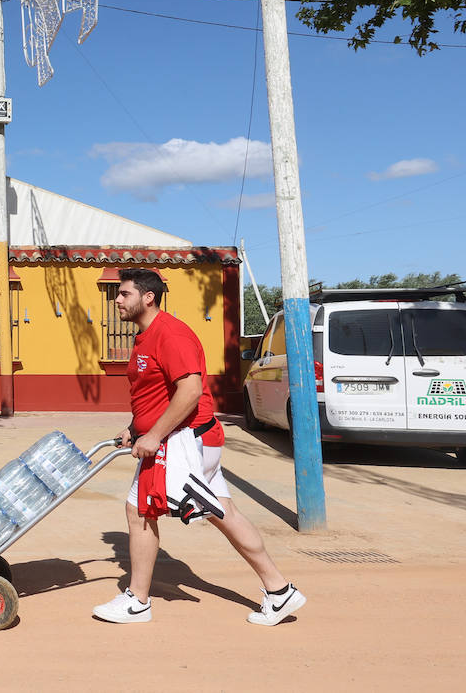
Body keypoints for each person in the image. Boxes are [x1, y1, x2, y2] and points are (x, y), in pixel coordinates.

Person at [92, 268, 306, 626]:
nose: (117, 300)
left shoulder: (171, 334)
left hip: (183, 440)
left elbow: (190, 392)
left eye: (124, 293)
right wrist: (135, 427)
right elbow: (155, 392)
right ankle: (279, 590)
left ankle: (137, 601)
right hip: (187, 439)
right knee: (225, 514)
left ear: (148, 297)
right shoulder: (146, 336)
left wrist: (154, 435)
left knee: (140, 510)